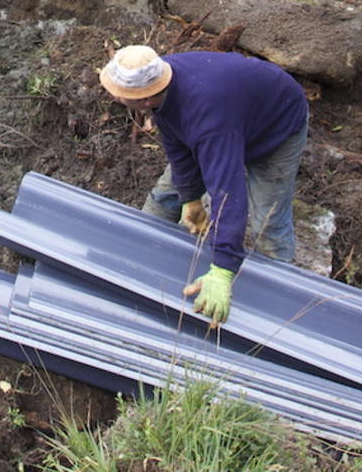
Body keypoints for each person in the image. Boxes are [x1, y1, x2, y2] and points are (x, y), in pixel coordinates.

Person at [98, 43, 309, 328]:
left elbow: (228, 194)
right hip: (229, 115)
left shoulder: (209, 123)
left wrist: (223, 268)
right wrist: (190, 198)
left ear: (145, 99)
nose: (114, 96)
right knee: (166, 197)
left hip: (276, 125)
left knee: (268, 223)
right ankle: (137, 259)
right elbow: (176, 142)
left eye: (121, 94)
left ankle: (279, 308)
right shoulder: (158, 79)